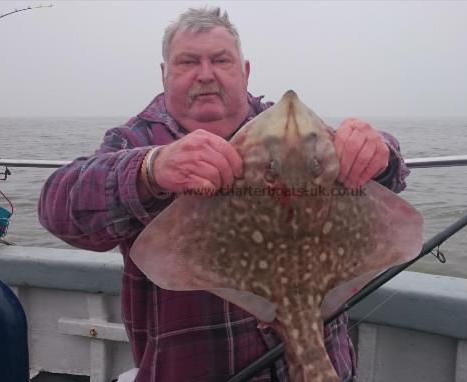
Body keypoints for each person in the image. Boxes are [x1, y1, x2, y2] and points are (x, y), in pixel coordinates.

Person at [39, 7, 409, 382]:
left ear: (244, 71)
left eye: (220, 60)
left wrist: (378, 152)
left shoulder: (286, 131)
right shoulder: (137, 141)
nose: (206, 74)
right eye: (187, 62)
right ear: (164, 73)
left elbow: (388, 177)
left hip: (327, 360)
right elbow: (58, 207)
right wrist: (150, 170)